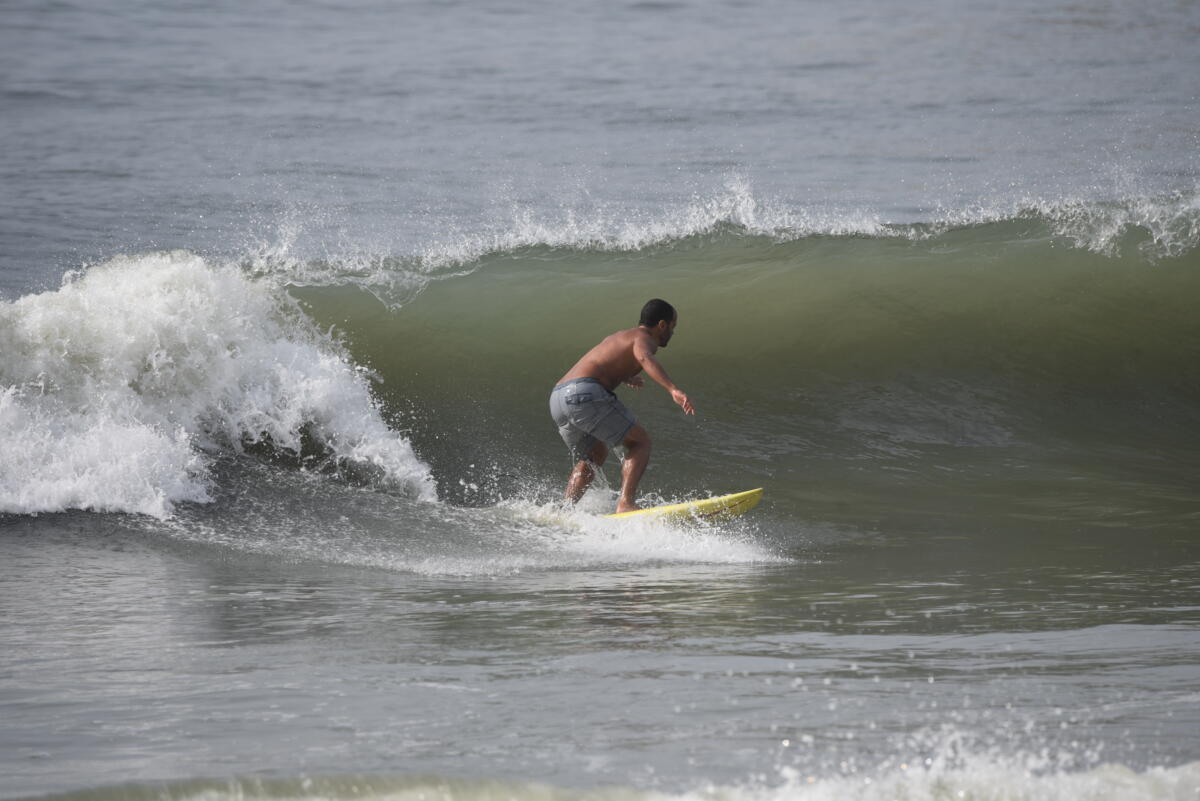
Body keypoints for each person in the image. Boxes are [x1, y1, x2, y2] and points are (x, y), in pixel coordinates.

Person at [548, 298, 695, 513]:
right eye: (673, 327)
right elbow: (644, 358)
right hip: (583, 393)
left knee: (594, 455)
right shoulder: (644, 338)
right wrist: (672, 389)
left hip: (558, 398)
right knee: (639, 442)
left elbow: (601, 362)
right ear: (662, 325)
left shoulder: (617, 337)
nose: (673, 333)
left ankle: (565, 509)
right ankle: (625, 503)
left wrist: (626, 376)